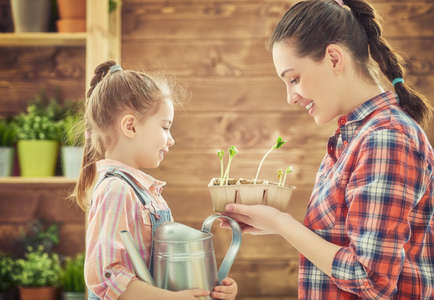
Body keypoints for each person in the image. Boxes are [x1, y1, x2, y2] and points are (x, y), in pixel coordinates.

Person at [222, 0, 433, 299]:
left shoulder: (385, 137)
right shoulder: (354, 136)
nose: (290, 98)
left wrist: (283, 224)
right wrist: (273, 224)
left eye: (294, 79)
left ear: (334, 58)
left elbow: (370, 280)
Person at [73, 61, 238, 300]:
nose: (171, 140)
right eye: (165, 127)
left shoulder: (143, 191)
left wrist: (210, 285)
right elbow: (105, 275)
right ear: (130, 126)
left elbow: (164, 270)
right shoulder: (116, 190)